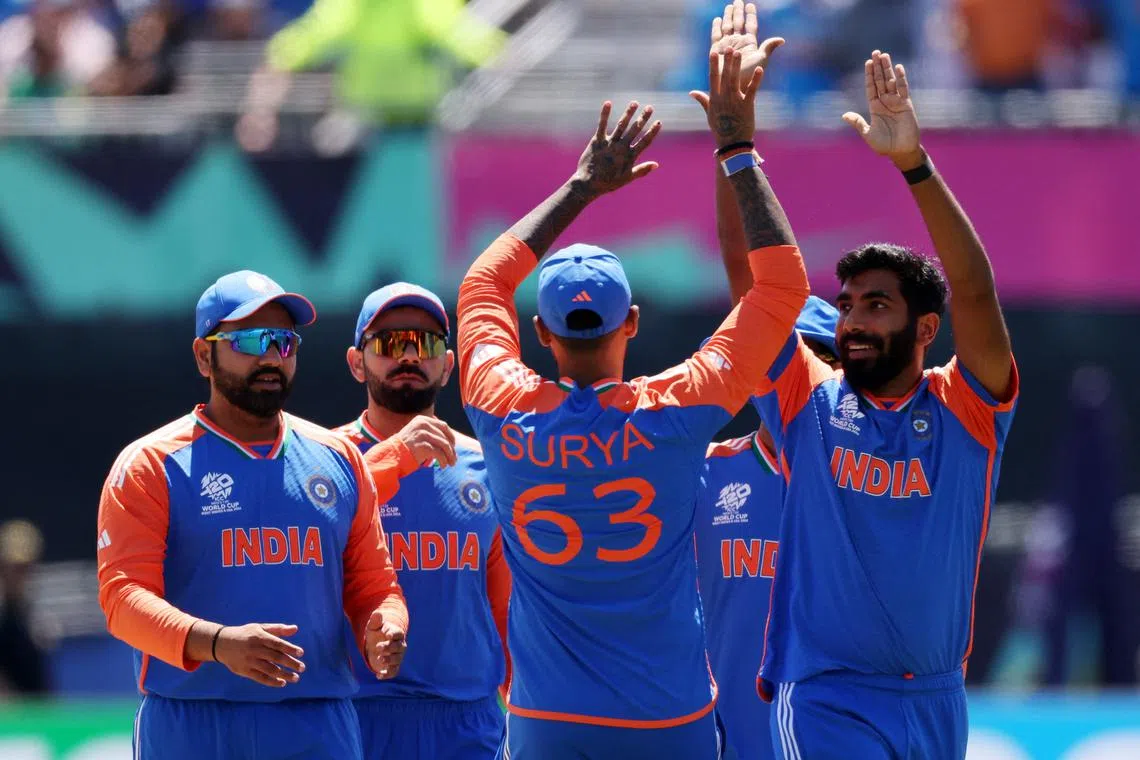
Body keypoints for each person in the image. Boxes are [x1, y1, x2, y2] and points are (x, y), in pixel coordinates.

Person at [455, 48, 810, 759]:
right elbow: (782, 287)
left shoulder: (500, 405)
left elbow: (483, 284)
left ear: (540, 333)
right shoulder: (676, 409)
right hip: (666, 719)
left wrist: (582, 187)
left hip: (547, 720)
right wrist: (737, 150)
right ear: (633, 323)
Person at [732, 45, 1017, 759]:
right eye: (848, 305)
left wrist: (914, 164)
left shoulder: (966, 410)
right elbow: (756, 289)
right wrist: (738, 154)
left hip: (936, 700)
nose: (853, 321)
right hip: (829, 695)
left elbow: (976, 293)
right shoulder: (807, 402)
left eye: (876, 306)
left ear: (925, 328)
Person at [95, 270, 439, 760]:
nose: (270, 357)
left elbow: (375, 586)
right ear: (202, 355)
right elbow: (123, 600)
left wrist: (385, 625)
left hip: (316, 723)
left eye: (283, 341)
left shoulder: (338, 459)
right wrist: (218, 644)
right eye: (250, 340)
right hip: (194, 724)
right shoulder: (152, 464)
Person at [336, 282, 511, 759]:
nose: (409, 356)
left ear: (449, 365)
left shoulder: (487, 466)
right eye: (390, 344)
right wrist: (395, 458)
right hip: (353, 716)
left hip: (466, 723)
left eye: (427, 343)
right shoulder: (326, 461)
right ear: (357, 363)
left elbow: (506, 612)